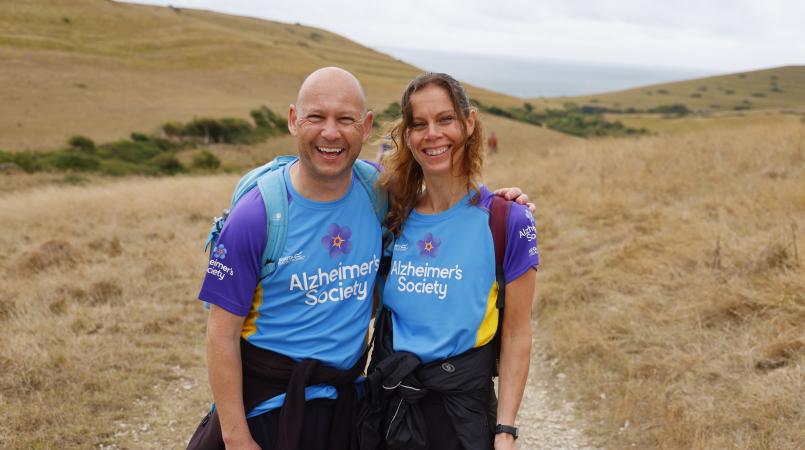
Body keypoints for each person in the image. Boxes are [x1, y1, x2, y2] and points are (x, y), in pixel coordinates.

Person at [189, 67, 534, 450]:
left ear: (366, 126)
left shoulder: (383, 196)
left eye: (346, 119)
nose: (331, 133)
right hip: (283, 411)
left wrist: (506, 430)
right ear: (293, 120)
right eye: (316, 117)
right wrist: (235, 437)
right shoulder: (265, 213)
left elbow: (515, 328)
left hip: (360, 410)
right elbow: (220, 333)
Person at [358, 73, 538, 450]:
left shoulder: (507, 220)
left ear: (469, 123)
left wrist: (506, 431)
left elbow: (517, 333)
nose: (432, 134)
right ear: (407, 136)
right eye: (418, 124)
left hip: (461, 422)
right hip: (388, 414)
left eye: (445, 119)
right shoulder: (394, 216)